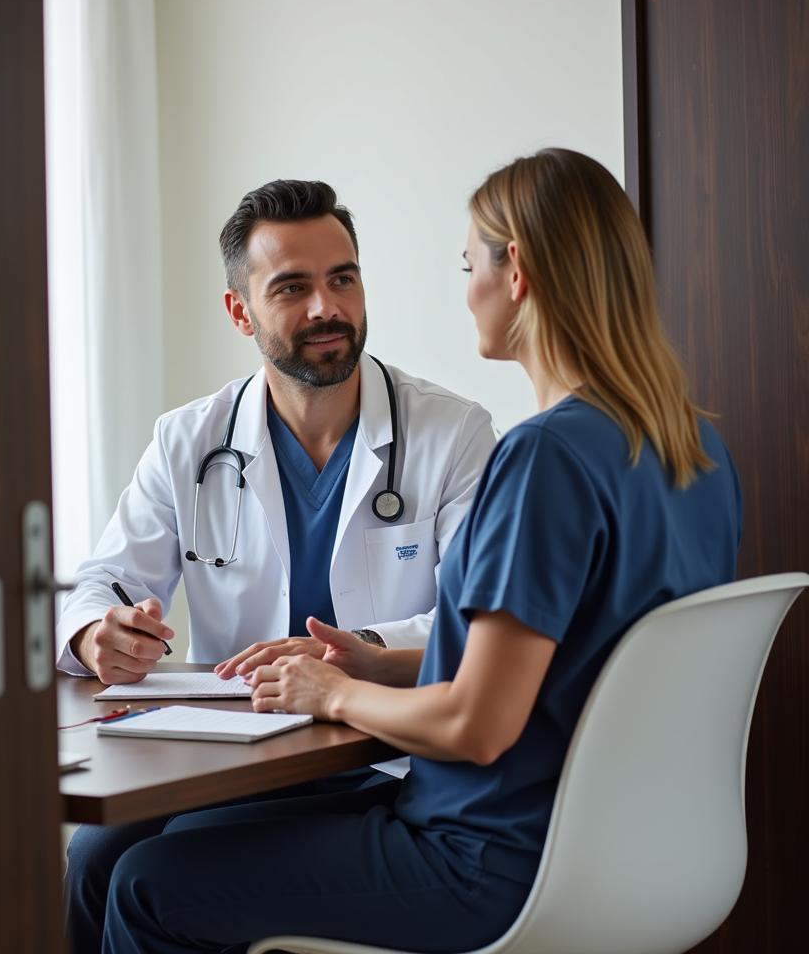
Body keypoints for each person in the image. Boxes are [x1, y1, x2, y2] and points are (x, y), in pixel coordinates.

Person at [97, 149, 743, 954]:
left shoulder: (545, 457)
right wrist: (370, 661)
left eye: (469, 261)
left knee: (146, 886)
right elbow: (559, 656)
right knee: (114, 855)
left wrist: (329, 692)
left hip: (484, 852)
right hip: (627, 846)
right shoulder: (693, 448)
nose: (464, 285)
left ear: (519, 276)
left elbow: (477, 724)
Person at [58, 179, 497, 952]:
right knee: (91, 855)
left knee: (143, 870)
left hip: (381, 761)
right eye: (293, 288)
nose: (327, 308)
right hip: (239, 754)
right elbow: (102, 581)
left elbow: (473, 628)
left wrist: (345, 650)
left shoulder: (452, 434)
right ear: (240, 312)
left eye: (343, 279)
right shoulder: (188, 441)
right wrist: (99, 631)